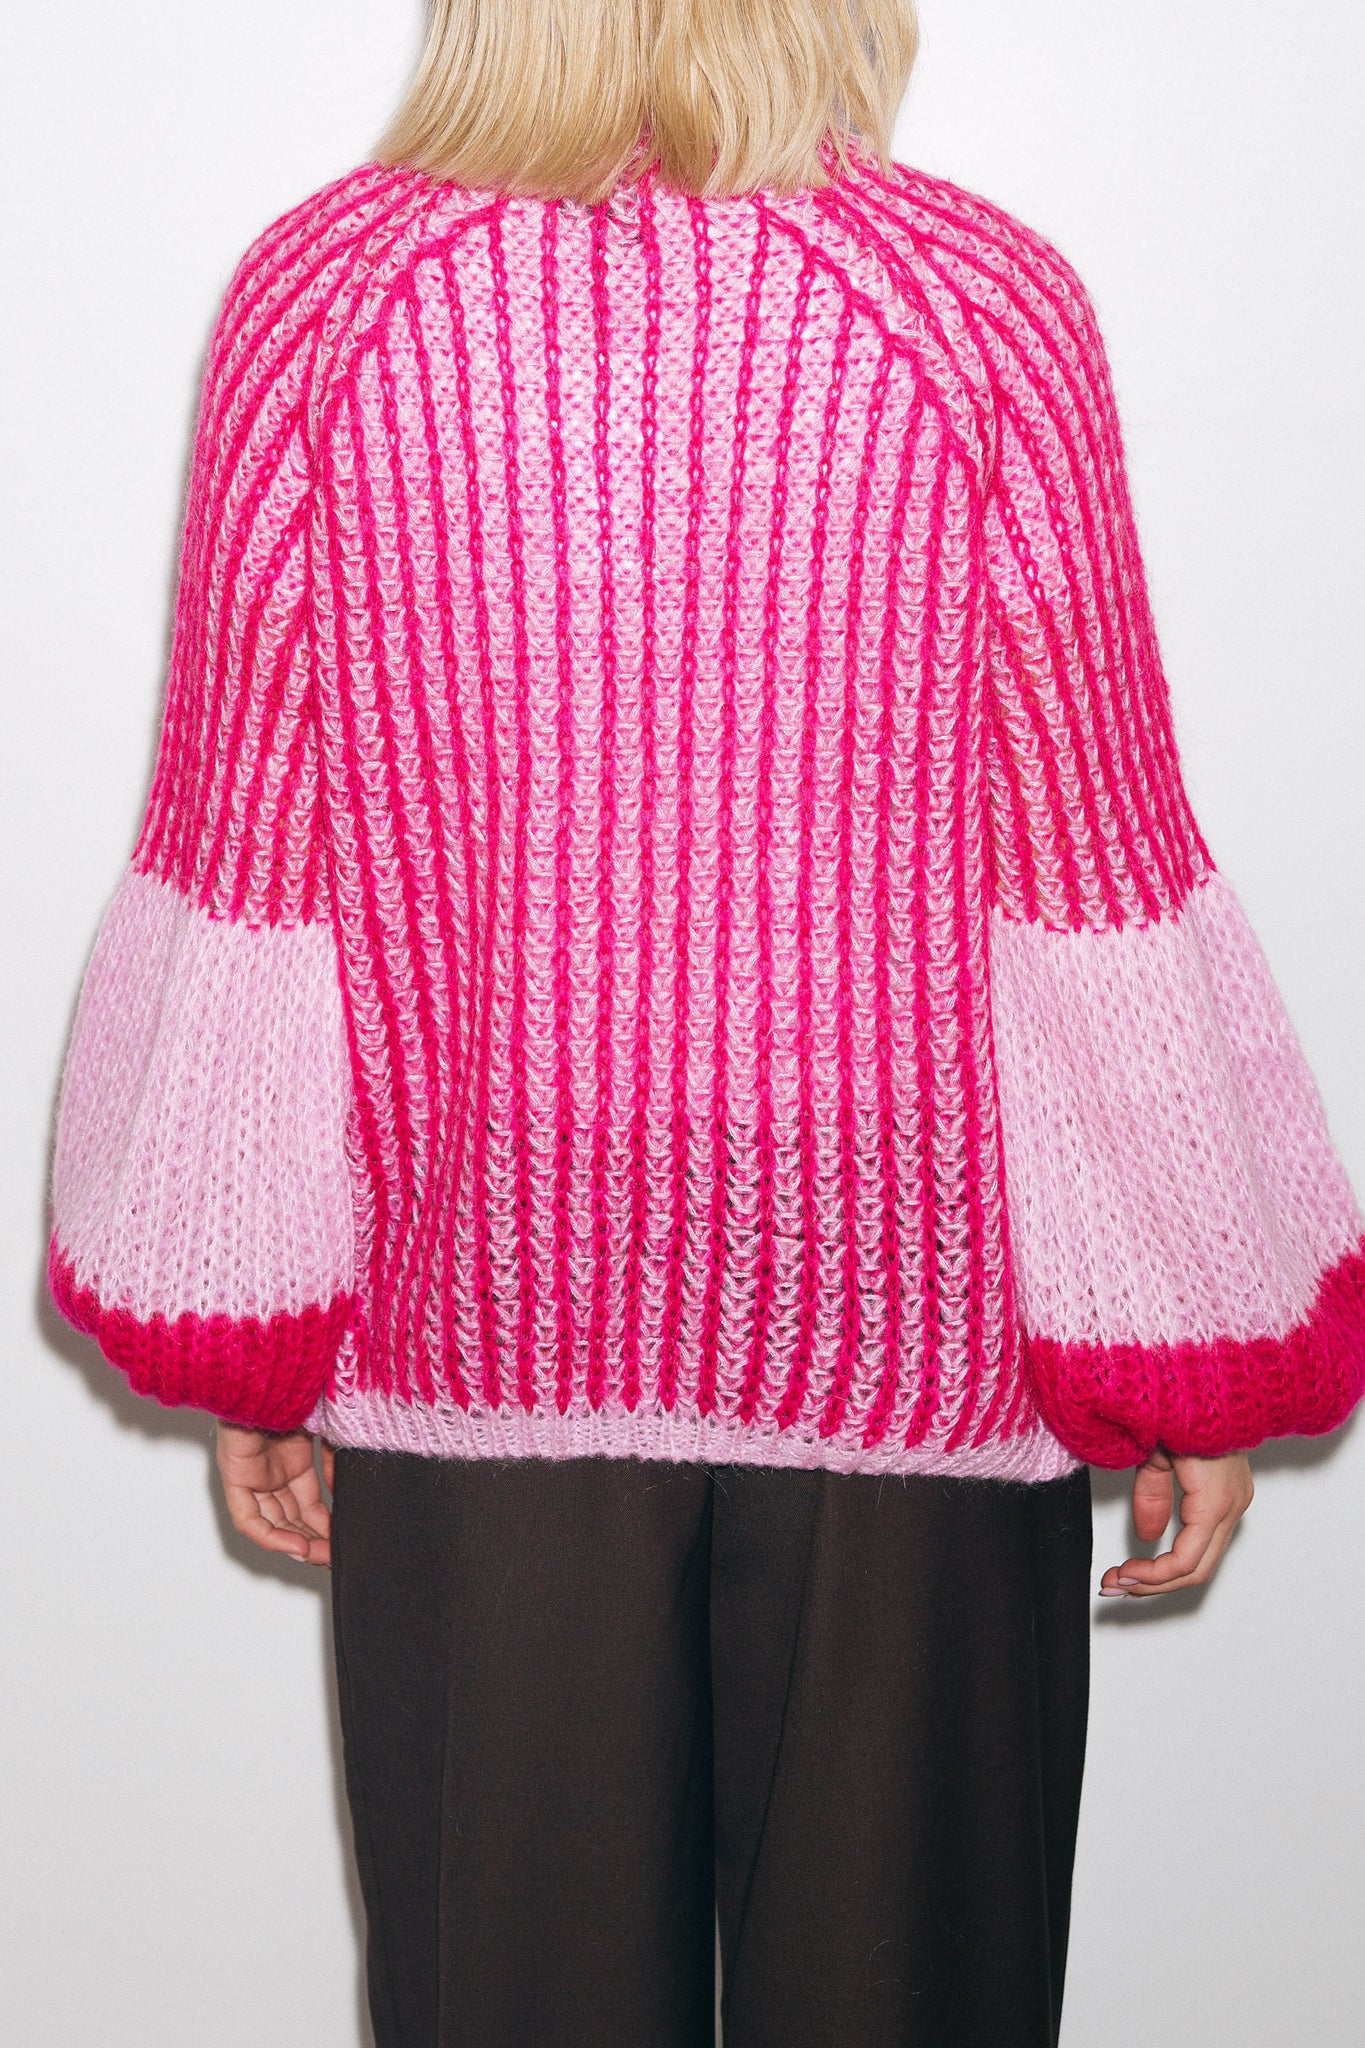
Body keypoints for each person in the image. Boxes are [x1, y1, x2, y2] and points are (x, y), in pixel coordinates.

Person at [46, 2, 1364, 2042]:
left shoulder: (327, 299)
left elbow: (248, 859)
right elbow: (1088, 859)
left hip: (483, 1363)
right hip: (918, 1373)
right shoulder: (975, 307)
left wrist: (250, 1332)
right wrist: (1192, 1336)